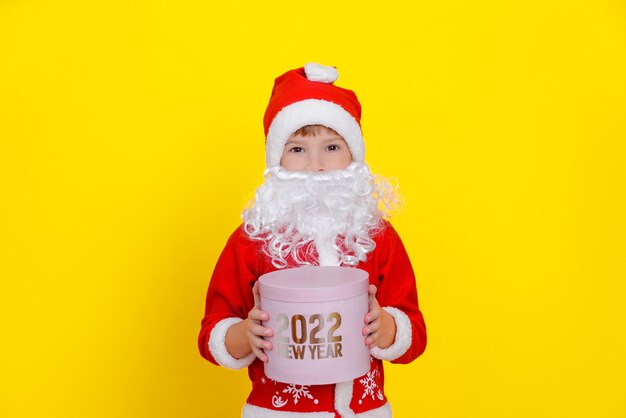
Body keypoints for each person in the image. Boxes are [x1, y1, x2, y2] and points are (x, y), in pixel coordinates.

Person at [198, 63, 427, 418]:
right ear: (276, 160)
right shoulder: (252, 238)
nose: (316, 165)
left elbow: (414, 331)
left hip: (362, 410)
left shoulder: (377, 236)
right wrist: (245, 334)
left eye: (332, 147)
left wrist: (386, 327)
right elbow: (213, 330)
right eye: (298, 150)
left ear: (354, 155)